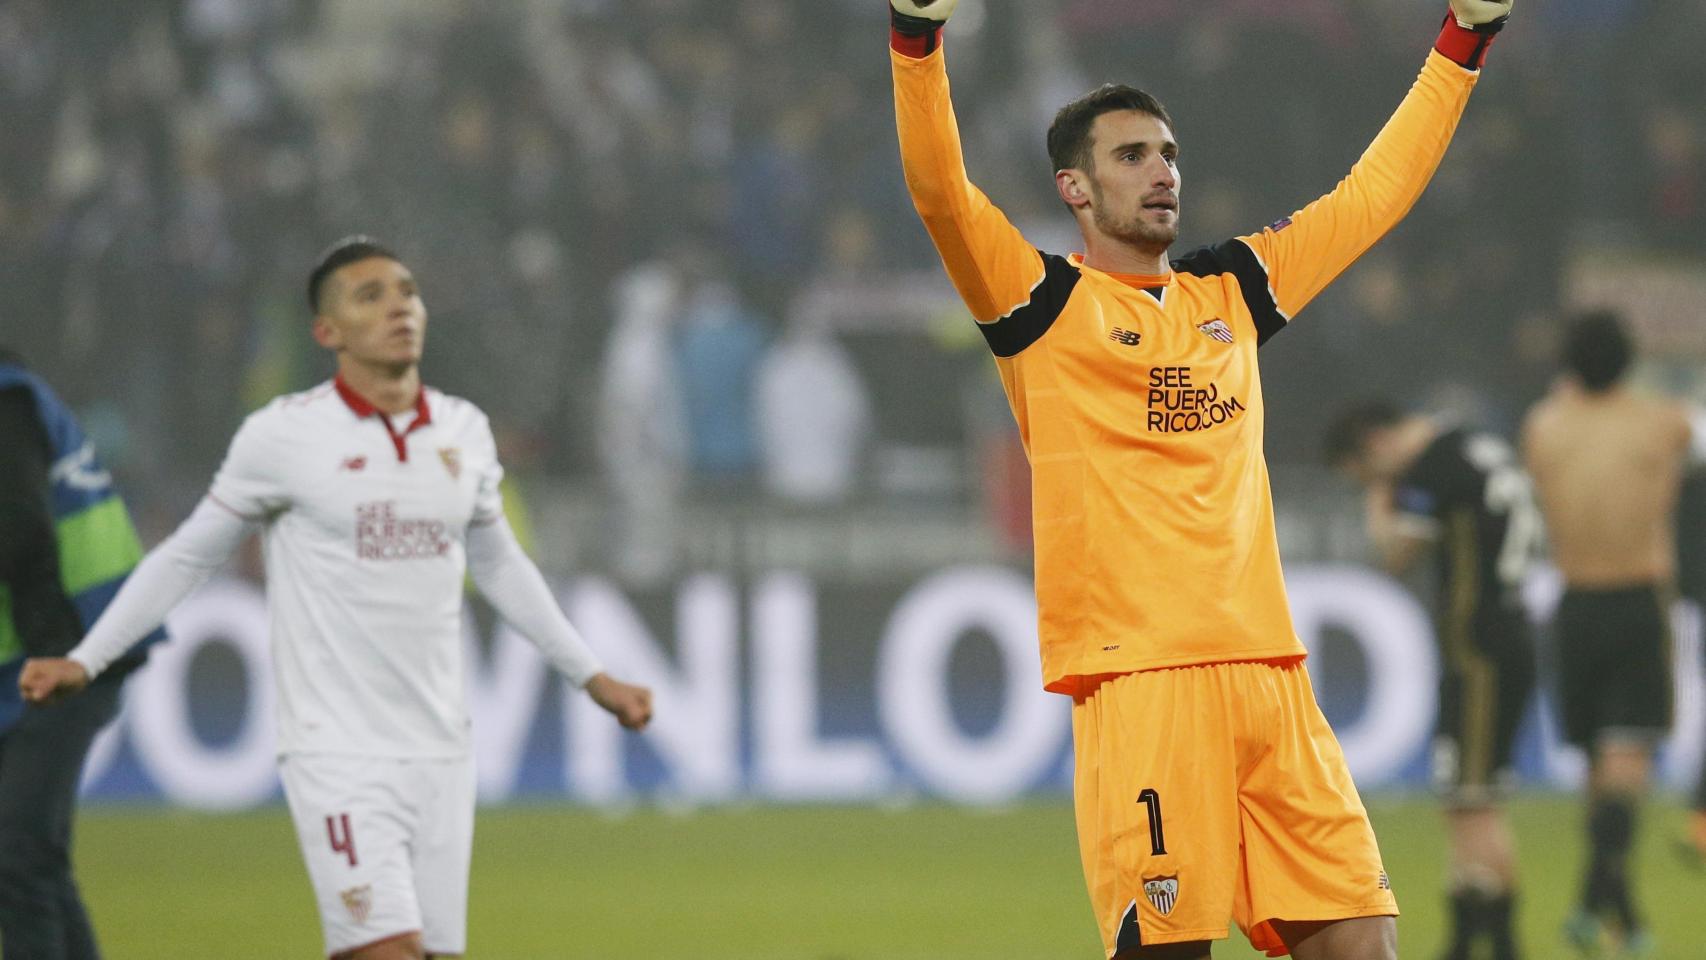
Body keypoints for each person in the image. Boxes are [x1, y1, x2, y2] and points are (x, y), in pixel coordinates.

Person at [889, 0, 1517, 955]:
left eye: (1169, 154)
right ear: (1075, 187)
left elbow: (1372, 196)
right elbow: (940, 192)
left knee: (1366, 943)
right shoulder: (1041, 307)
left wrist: (1463, 38)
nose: (1162, 173)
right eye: (1132, 156)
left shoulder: (1233, 292)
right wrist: (915, 40)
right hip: (1145, 684)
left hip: (1273, 677)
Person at [19, 238, 654, 960]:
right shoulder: (283, 436)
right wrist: (87, 658)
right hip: (338, 749)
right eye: (370, 295)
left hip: (444, 748)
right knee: (385, 951)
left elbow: (501, 563)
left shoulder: (464, 431)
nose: (399, 307)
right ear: (327, 332)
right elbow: (191, 552)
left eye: (407, 291)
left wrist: (592, 676)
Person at [1325, 402, 1540, 960]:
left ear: (1374, 443)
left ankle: (1498, 942)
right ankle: (1469, 941)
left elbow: (1395, 552)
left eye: (1366, 474)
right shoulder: (1476, 442)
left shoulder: (1432, 468)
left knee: (1470, 803)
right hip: (1507, 634)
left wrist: (1380, 495)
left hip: (1478, 647)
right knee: (1471, 799)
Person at [1521, 310, 1694, 957]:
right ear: (1628, 360)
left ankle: (1618, 915)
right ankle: (1595, 904)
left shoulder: (1544, 428)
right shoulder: (1663, 422)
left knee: (1600, 771)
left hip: (1575, 605)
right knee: (1626, 772)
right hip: (1636, 600)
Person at [0, 347, 165, 960]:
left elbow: (19, 528)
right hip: (67, 641)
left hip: (71, 647)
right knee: (32, 860)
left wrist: (53, 655)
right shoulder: (19, 393)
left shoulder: (5, 398)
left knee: (17, 857)